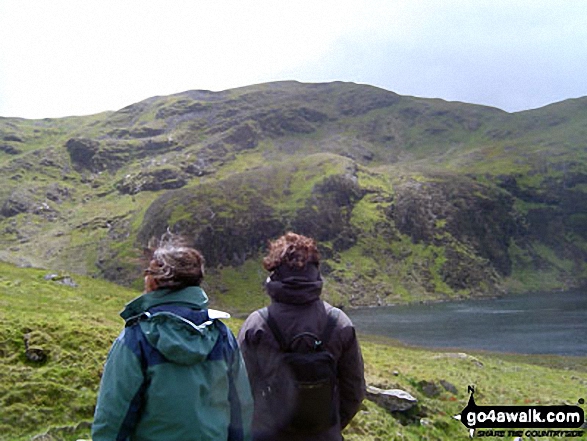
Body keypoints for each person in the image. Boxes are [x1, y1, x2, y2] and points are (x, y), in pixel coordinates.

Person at [92, 235, 253, 441]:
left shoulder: (136, 337)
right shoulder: (222, 335)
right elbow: (241, 406)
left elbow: (114, 413)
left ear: (155, 280)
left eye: (147, 272)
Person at [238, 232, 365, 441]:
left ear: (273, 272)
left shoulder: (256, 326)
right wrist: (329, 427)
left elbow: (241, 392)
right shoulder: (340, 323)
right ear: (315, 271)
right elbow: (355, 390)